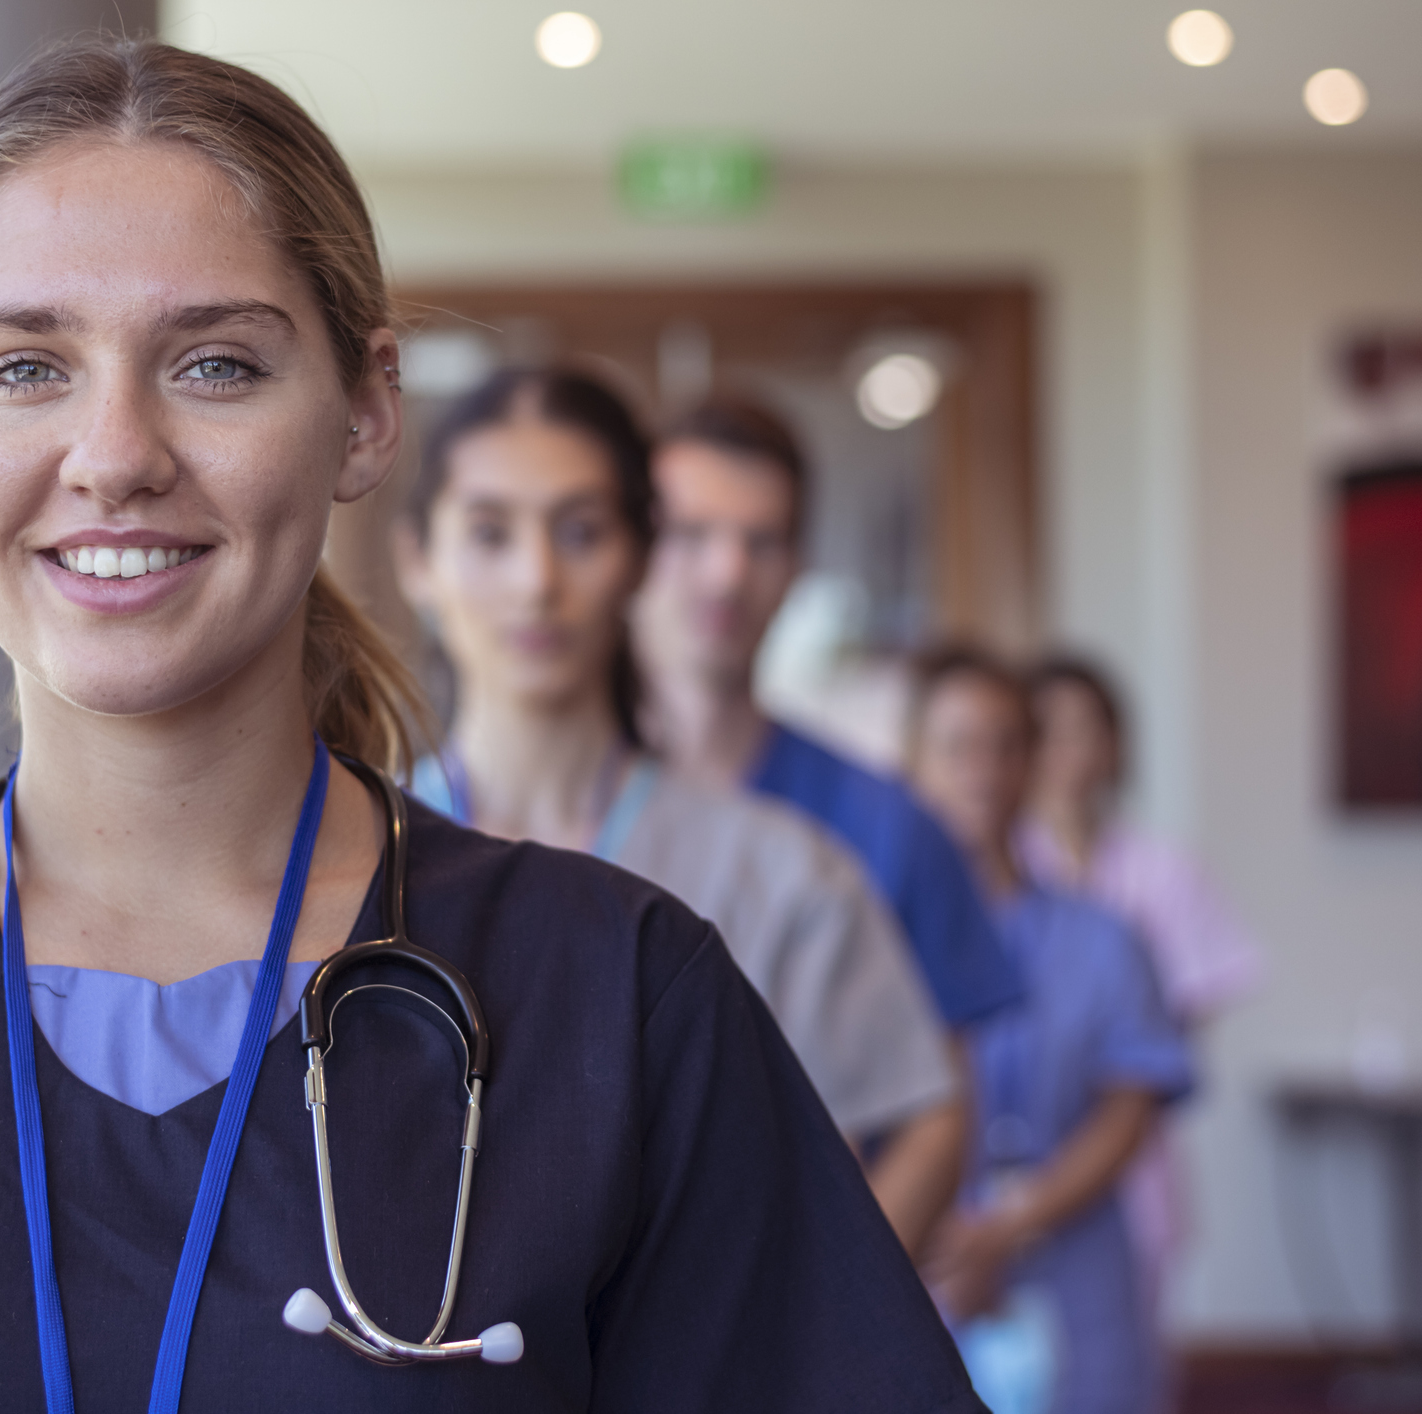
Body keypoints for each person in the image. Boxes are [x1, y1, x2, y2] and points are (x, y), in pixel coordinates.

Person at [0, 40, 982, 1414]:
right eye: (23, 369)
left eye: (212, 363)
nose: (114, 453)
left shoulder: (615, 997)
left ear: (364, 413)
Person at [393, 367, 967, 1256]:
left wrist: (802, 1355)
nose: (536, 580)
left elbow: (922, 1118)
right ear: (415, 561)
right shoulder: (337, 858)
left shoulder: (787, 875)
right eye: (488, 532)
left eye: (580, 531)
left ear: (637, 557)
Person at [633, 394, 1022, 1033]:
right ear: (632, 548)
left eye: (762, 541)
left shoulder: (894, 828)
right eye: (691, 534)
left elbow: (948, 1108)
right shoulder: (556, 814)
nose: (728, 572)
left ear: (798, 565)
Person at [907, 647, 1193, 1414]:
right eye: (958, 746)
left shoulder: (1101, 939)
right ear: (910, 763)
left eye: (1007, 745)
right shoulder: (874, 943)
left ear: (1032, 760)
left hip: (1073, 1265)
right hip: (920, 1266)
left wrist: (1009, 1223)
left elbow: (1130, 1105)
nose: (984, 769)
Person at [1017, 655, 1259, 1338]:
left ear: (1115, 744)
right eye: (1045, 731)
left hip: (1127, 1149)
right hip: (1015, 1151)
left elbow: (1181, 1019)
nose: (1065, 751)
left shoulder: (1161, 869)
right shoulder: (996, 870)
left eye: (1084, 730)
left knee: (1121, 1358)